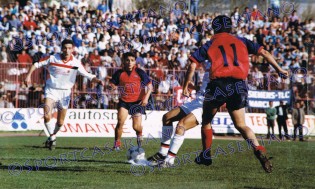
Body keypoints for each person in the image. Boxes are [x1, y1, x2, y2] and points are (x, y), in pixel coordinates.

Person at [186, 15, 288, 173]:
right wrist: (279, 69)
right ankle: (259, 149)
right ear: (230, 27)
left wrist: (186, 84)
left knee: (206, 121)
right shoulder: (242, 40)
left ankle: (206, 155)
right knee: (241, 125)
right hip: (239, 85)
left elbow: (193, 63)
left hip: (218, 85)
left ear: (214, 28)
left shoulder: (210, 43)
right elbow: (265, 53)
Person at [24, 39, 104, 150]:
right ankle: (52, 138)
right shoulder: (52, 58)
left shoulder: (75, 63)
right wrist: (28, 76)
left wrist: (98, 81)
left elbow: (87, 75)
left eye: (69, 48)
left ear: (73, 50)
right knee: (47, 115)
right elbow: (36, 64)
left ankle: (52, 136)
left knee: (60, 122)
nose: (67, 50)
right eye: (65, 48)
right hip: (51, 90)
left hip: (65, 93)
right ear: (62, 48)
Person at [147, 61, 211, 167]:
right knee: (167, 117)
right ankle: (162, 153)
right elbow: (204, 87)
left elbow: (192, 65)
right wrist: (195, 88)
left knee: (181, 126)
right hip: (197, 101)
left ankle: (169, 160)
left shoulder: (223, 66)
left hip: (207, 105)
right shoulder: (210, 62)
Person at [109, 52, 153, 150]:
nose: (129, 62)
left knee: (136, 127)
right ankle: (117, 145)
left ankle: (139, 133)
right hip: (124, 101)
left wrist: (146, 98)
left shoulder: (140, 72)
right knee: (120, 122)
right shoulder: (119, 73)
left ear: (135, 62)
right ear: (123, 61)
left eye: (132, 60)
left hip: (137, 102)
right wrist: (111, 86)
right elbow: (112, 84)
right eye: (127, 60)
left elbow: (150, 87)